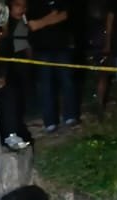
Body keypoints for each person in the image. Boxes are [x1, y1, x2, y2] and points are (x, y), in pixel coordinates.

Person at [25, 0, 78, 132]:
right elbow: (33, 25)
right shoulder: (32, 3)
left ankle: (70, 116)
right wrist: (52, 17)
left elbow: (64, 15)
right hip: (41, 49)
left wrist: (43, 21)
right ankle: (50, 122)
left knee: (67, 82)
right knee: (45, 86)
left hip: (62, 46)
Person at [0, 0, 32, 150]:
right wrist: (1, 73)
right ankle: (8, 135)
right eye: (17, 5)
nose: (22, 9)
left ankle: (13, 132)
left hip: (13, 66)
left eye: (24, 6)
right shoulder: (0, 22)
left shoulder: (20, 21)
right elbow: (1, 46)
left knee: (14, 98)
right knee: (6, 98)